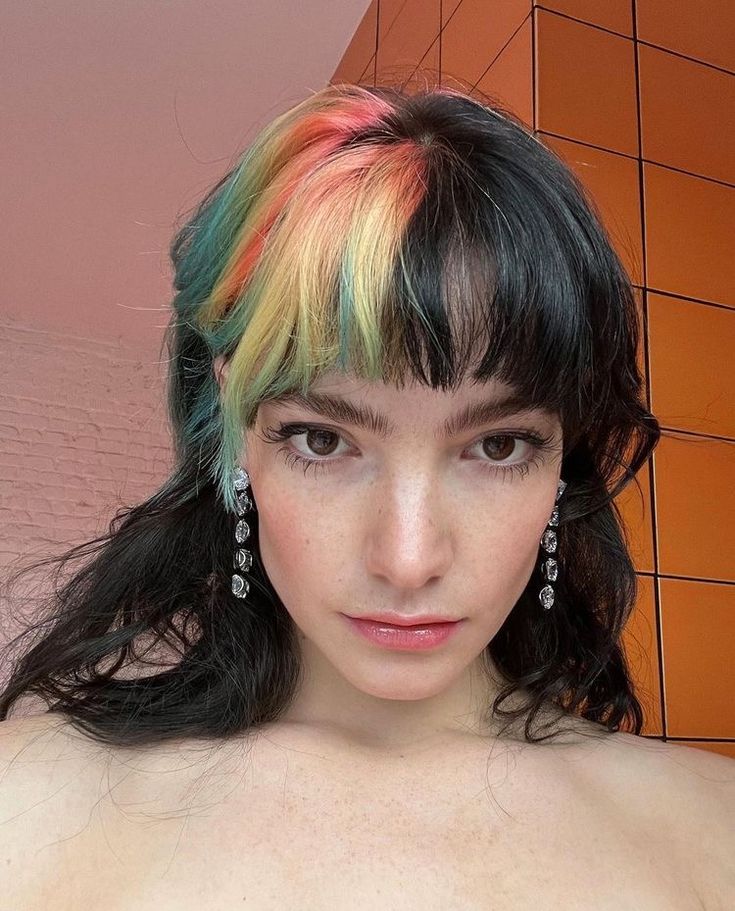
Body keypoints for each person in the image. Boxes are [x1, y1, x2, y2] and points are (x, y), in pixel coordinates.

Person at [0, 82, 732, 909]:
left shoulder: (710, 832)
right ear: (237, 434)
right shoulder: (21, 805)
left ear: (564, 461)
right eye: (323, 439)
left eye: (497, 445)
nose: (408, 557)